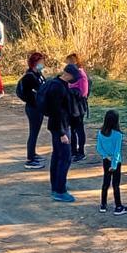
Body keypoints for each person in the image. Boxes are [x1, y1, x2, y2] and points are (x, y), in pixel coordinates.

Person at [38, 64, 79, 202]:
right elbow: (56, 112)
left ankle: (56, 185)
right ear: (67, 74)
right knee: (65, 157)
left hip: (58, 126)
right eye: (74, 77)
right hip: (60, 127)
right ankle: (60, 190)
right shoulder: (59, 87)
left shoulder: (56, 83)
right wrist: (62, 133)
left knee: (57, 156)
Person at [16, 52, 47, 170]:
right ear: (35, 63)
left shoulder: (38, 73)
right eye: (41, 62)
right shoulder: (29, 76)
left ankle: (33, 154)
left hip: (38, 107)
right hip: (33, 108)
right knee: (33, 133)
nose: (43, 64)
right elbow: (36, 91)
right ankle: (30, 158)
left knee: (35, 132)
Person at [96, 110, 127, 215]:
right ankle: (118, 206)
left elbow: (99, 148)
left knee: (105, 183)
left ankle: (103, 204)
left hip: (106, 161)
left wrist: (106, 156)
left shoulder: (101, 133)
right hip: (116, 163)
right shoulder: (118, 135)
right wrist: (114, 164)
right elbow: (117, 152)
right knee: (116, 184)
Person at [65, 53, 90, 162]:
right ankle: (73, 151)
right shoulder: (74, 74)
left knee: (79, 129)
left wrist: (71, 92)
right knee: (73, 129)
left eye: (69, 62)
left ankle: (81, 152)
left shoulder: (80, 74)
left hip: (78, 105)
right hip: (72, 105)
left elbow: (84, 92)